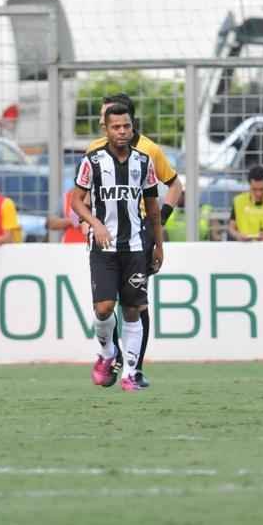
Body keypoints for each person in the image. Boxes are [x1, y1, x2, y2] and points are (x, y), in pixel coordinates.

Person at [87, 94, 181, 389]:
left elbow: (174, 185)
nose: (105, 121)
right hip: (105, 235)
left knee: (136, 304)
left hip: (139, 234)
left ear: (129, 120)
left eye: (112, 116)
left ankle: (133, 368)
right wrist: (89, 221)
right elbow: (83, 194)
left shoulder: (149, 151)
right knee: (105, 305)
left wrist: (159, 222)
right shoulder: (94, 151)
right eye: (106, 118)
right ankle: (112, 356)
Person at [71, 103, 163, 392]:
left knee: (133, 309)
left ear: (132, 127)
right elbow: (76, 201)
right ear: (106, 130)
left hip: (135, 246)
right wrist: (95, 224)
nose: (122, 131)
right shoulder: (92, 161)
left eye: (126, 126)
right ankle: (108, 352)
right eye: (116, 127)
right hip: (103, 247)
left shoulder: (144, 162)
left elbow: (153, 208)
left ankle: (131, 374)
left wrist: (158, 245)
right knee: (104, 308)